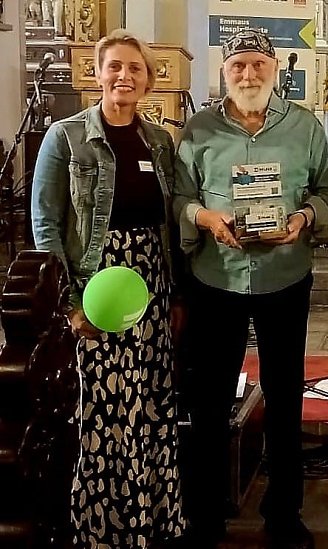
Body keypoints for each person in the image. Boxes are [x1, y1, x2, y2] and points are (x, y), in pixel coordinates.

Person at [172, 29, 328, 549]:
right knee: (209, 400)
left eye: (257, 66)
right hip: (215, 278)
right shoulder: (197, 129)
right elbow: (180, 196)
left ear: (274, 70)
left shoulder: (304, 126)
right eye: (238, 66)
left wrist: (303, 218)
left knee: (286, 396)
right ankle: (205, 516)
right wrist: (206, 216)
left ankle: (284, 512)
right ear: (223, 71)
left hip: (284, 276)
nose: (248, 75)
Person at [30, 29, 185, 548]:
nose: (125, 76)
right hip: (96, 284)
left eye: (135, 68)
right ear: (96, 74)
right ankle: (106, 527)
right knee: (105, 406)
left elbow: (167, 221)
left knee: (151, 402)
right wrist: (72, 305)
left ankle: (152, 517)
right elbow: (46, 225)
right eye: (114, 67)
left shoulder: (158, 141)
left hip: (152, 284)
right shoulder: (64, 137)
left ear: (149, 78)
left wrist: (175, 295)